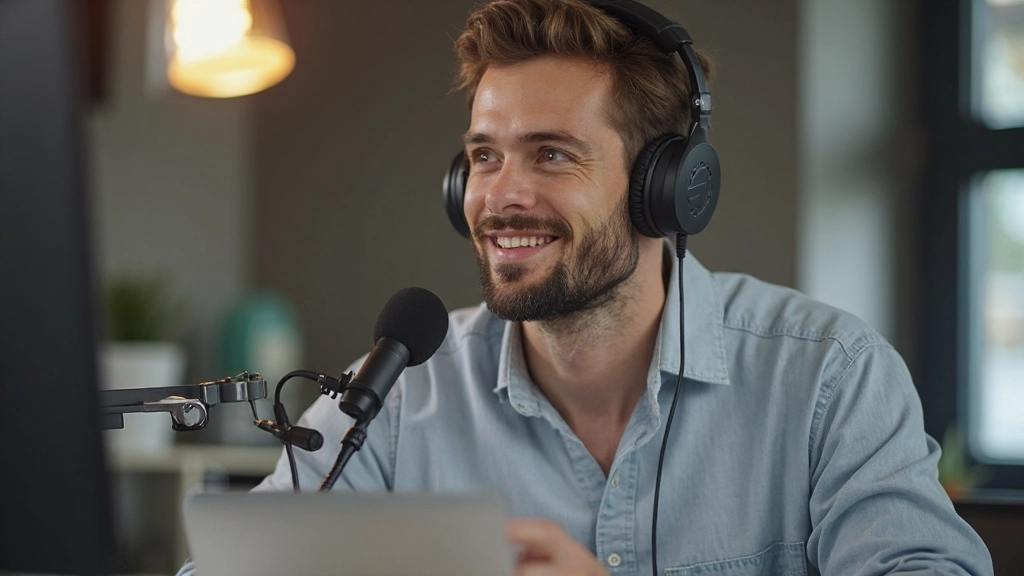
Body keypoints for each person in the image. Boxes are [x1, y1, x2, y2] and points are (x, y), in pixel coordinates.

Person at [179, 0, 992, 574]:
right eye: (485, 156)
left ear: (665, 189)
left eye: (552, 154)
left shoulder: (828, 377)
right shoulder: (398, 391)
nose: (500, 197)